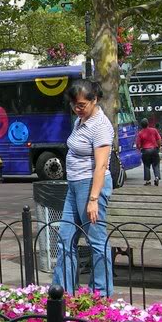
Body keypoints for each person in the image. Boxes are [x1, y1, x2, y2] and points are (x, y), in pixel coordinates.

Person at [52, 79, 115, 296]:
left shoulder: (100, 125)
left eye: (81, 105)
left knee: (96, 241)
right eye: (73, 105)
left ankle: (101, 293)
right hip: (75, 185)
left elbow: (101, 166)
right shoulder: (82, 121)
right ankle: (62, 293)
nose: (76, 109)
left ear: (94, 100)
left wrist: (93, 199)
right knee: (64, 239)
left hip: (91, 186)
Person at [135, 118, 162, 186]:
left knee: (146, 165)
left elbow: (138, 144)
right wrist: (158, 147)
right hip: (154, 149)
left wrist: (139, 149)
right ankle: (156, 177)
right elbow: (159, 140)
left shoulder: (140, 133)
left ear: (141, 125)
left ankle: (148, 181)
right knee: (156, 164)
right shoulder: (154, 130)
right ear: (148, 124)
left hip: (145, 151)